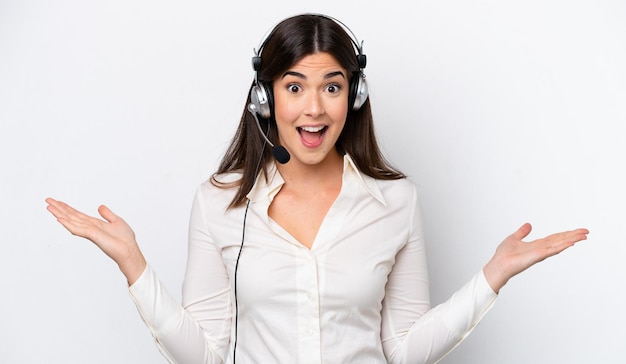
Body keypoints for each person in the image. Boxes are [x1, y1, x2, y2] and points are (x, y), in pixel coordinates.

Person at [45, 13, 589, 364]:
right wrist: (134, 265)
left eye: (332, 86)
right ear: (265, 100)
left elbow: (402, 349)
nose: (313, 107)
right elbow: (207, 354)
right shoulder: (219, 203)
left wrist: (492, 276)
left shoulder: (396, 201)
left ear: (353, 96)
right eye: (294, 86)